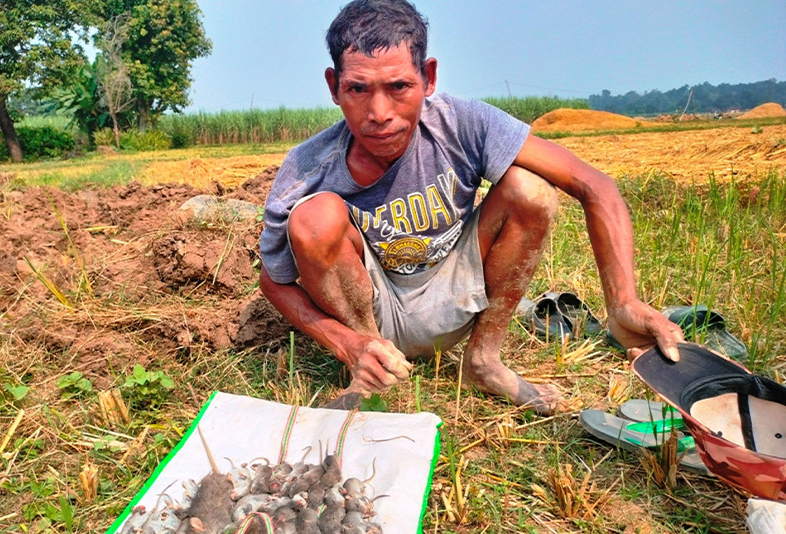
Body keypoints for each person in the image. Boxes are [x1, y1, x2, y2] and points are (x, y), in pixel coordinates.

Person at [259, 0, 684, 415]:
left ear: (428, 78)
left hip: (455, 291)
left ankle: (483, 361)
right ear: (334, 87)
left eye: (398, 87)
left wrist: (623, 301)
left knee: (529, 188)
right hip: (372, 308)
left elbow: (594, 184)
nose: (379, 113)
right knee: (314, 218)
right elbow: (273, 282)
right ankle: (373, 368)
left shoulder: (463, 125)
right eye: (357, 90)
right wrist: (345, 343)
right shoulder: (307, 165)